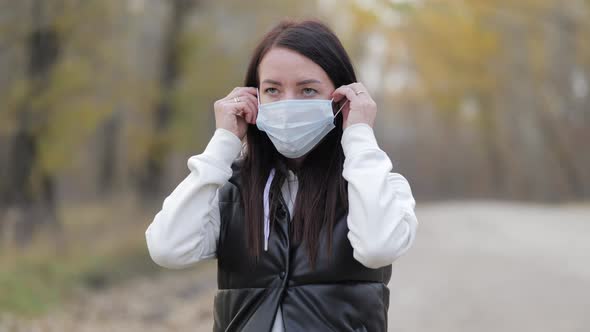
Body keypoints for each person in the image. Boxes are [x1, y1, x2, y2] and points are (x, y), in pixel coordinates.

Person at [145, 19, 418, 332]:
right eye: (272, 90)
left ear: (341, 99)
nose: (288, 103)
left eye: (308, 90)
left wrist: (358, 134)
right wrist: (223, 142)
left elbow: (378, 247)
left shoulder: (379, 186)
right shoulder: (231, 193)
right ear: (254, 97)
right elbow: (167, 248)